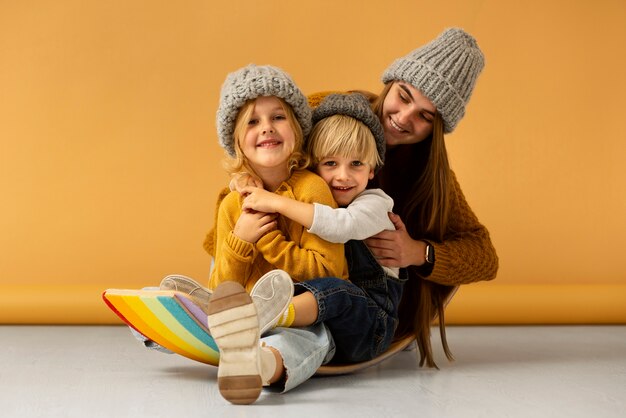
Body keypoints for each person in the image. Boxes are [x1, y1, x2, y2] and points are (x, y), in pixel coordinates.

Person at [206, 27, 498, 371]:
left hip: (351, 295)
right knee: (236, 233)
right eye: (404, 97)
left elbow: (484, 256)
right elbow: (268, 143)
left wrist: (419, 252)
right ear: (391, 83)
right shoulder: (327, 111)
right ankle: (223, 316)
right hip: (281, 265)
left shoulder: (431, 177)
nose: (404, 118)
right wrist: (245, 178)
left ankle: (266, 335)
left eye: (425, 116)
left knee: (326, 304)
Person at [205, 64, 348, 404]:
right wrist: (241, 239)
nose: (266, 128)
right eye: (252, 121)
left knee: (307, 340)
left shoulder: (313, 189)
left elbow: (327, 273)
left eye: (278, 117)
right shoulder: (231, 205)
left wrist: (267, 238)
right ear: (237, 140)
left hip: (303, 315)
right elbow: (223, 289)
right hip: (245, 315)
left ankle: (260, 364)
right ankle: (179, 328)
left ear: (297, 128)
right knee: (201, 302)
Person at [239, 92, 406, 363]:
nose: (343, 175)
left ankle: (261, 317)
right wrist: (246, 180)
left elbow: (341, 226)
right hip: (325, 328)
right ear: (314, 165)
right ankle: (258, 333)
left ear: (372, 169)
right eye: (330, 163)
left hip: (370, 324)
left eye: (356, 164)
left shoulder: (375, 204)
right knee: (302, 288)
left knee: (337, 290)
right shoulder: (315, 197)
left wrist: (276, 202)